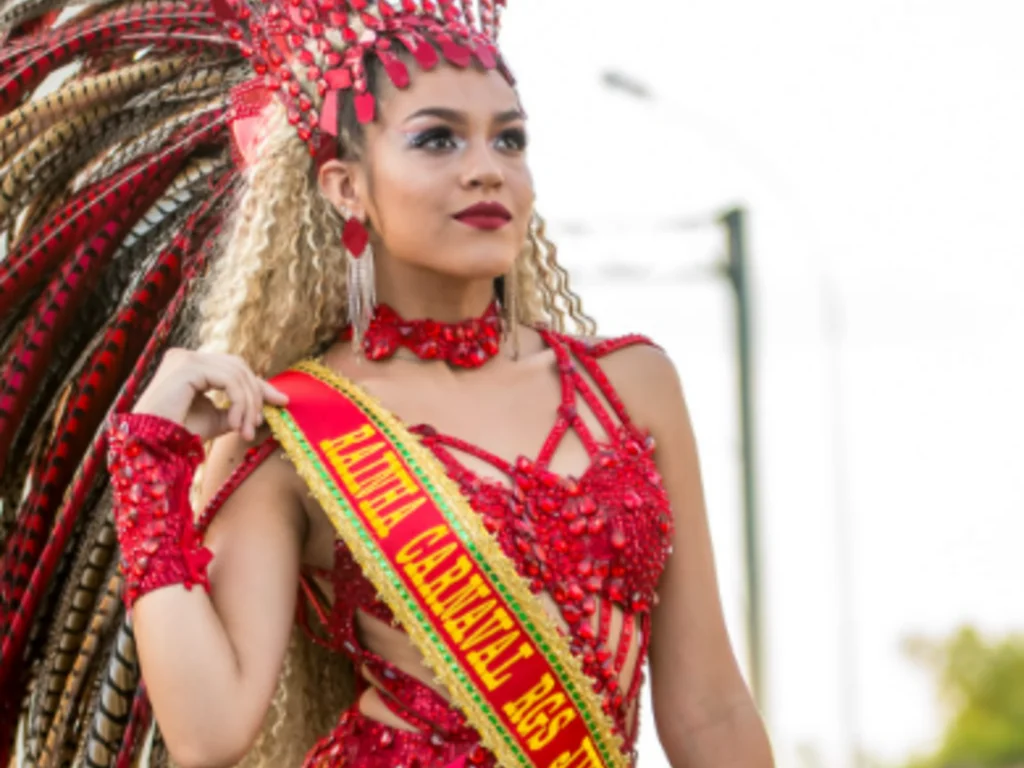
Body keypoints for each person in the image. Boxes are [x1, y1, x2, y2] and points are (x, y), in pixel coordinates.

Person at [0, 1, 774, 766]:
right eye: (437, 138)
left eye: (510, 139)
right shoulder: (286, 428)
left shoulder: (631, 386)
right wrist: (147, 463)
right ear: (345, 187)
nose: (487, 168)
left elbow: (709, 708)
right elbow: (209, 730)